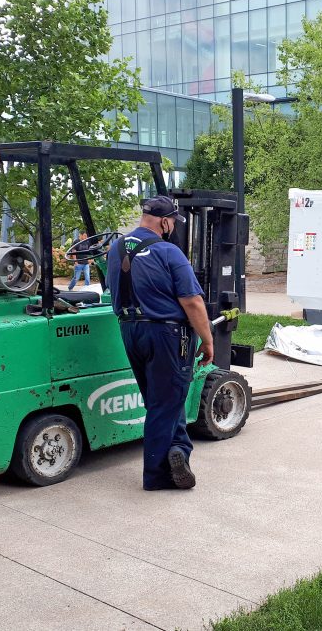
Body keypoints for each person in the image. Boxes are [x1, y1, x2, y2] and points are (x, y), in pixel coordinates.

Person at [106, 196, 214, 491]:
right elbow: (192, 301)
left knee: (164, 401)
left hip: (129, 331)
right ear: (165, 222)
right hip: (167, 335)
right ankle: (157, 475)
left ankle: (178, 451)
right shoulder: (169, 252)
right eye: (172, 223)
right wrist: (207, 340)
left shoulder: (114, 250)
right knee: (164, 403)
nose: (172, 228)